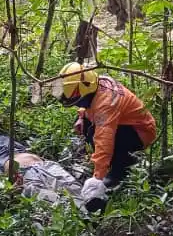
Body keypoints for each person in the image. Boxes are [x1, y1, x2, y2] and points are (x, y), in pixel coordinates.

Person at [57, 62, 157, 194]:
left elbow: (104, 140)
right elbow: (90, 105)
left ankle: (119, 171)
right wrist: (82, 117)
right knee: (88, 126)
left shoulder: (106, 104)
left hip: (140, 131)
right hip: (125, 122)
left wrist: (97, 177)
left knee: (107, 137)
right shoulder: (98, 84)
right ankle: (111, 162)